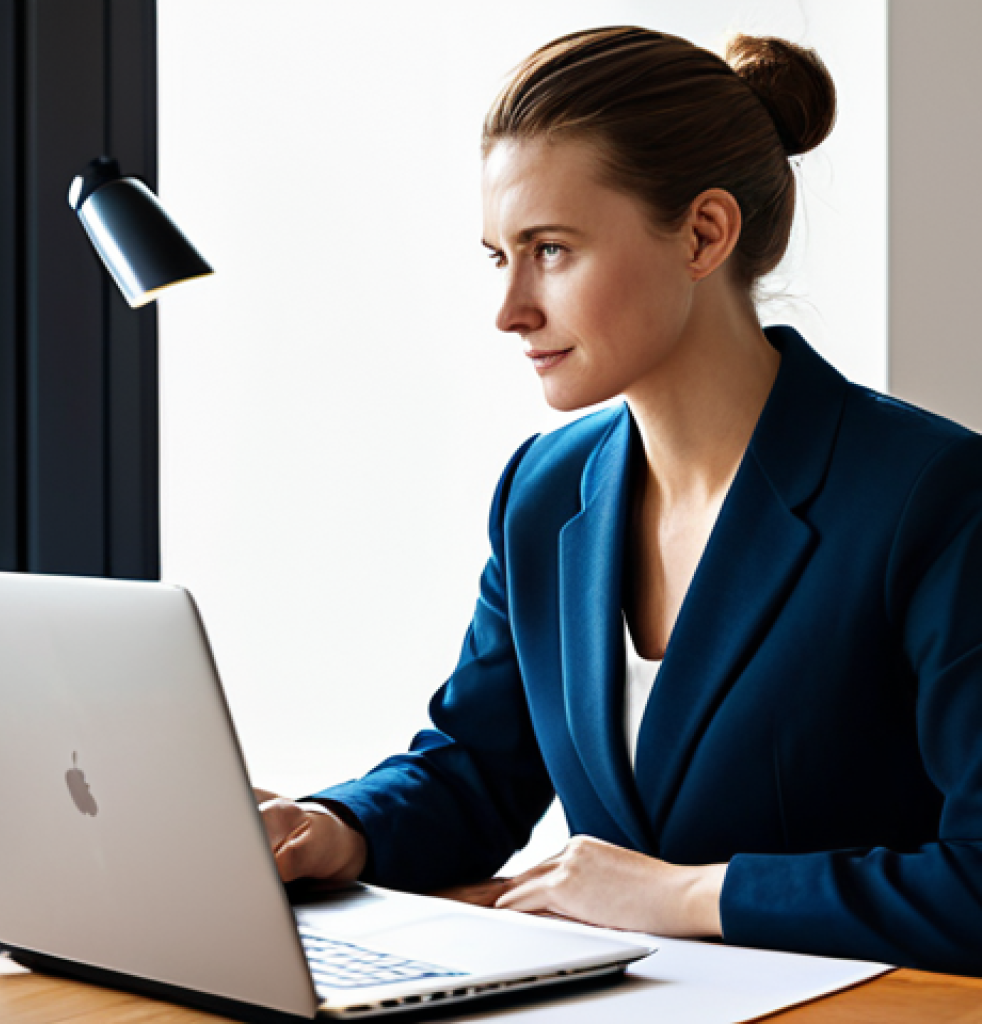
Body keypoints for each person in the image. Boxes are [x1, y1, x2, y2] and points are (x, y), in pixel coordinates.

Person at [256, 26, 982, 975]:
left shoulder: (929, 498)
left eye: (550, 250)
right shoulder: (543, 490)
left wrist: (682, 894)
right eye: (498, 257)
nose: (510, 308)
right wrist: (331, 827)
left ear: (703, 234)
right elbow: (478, 767)